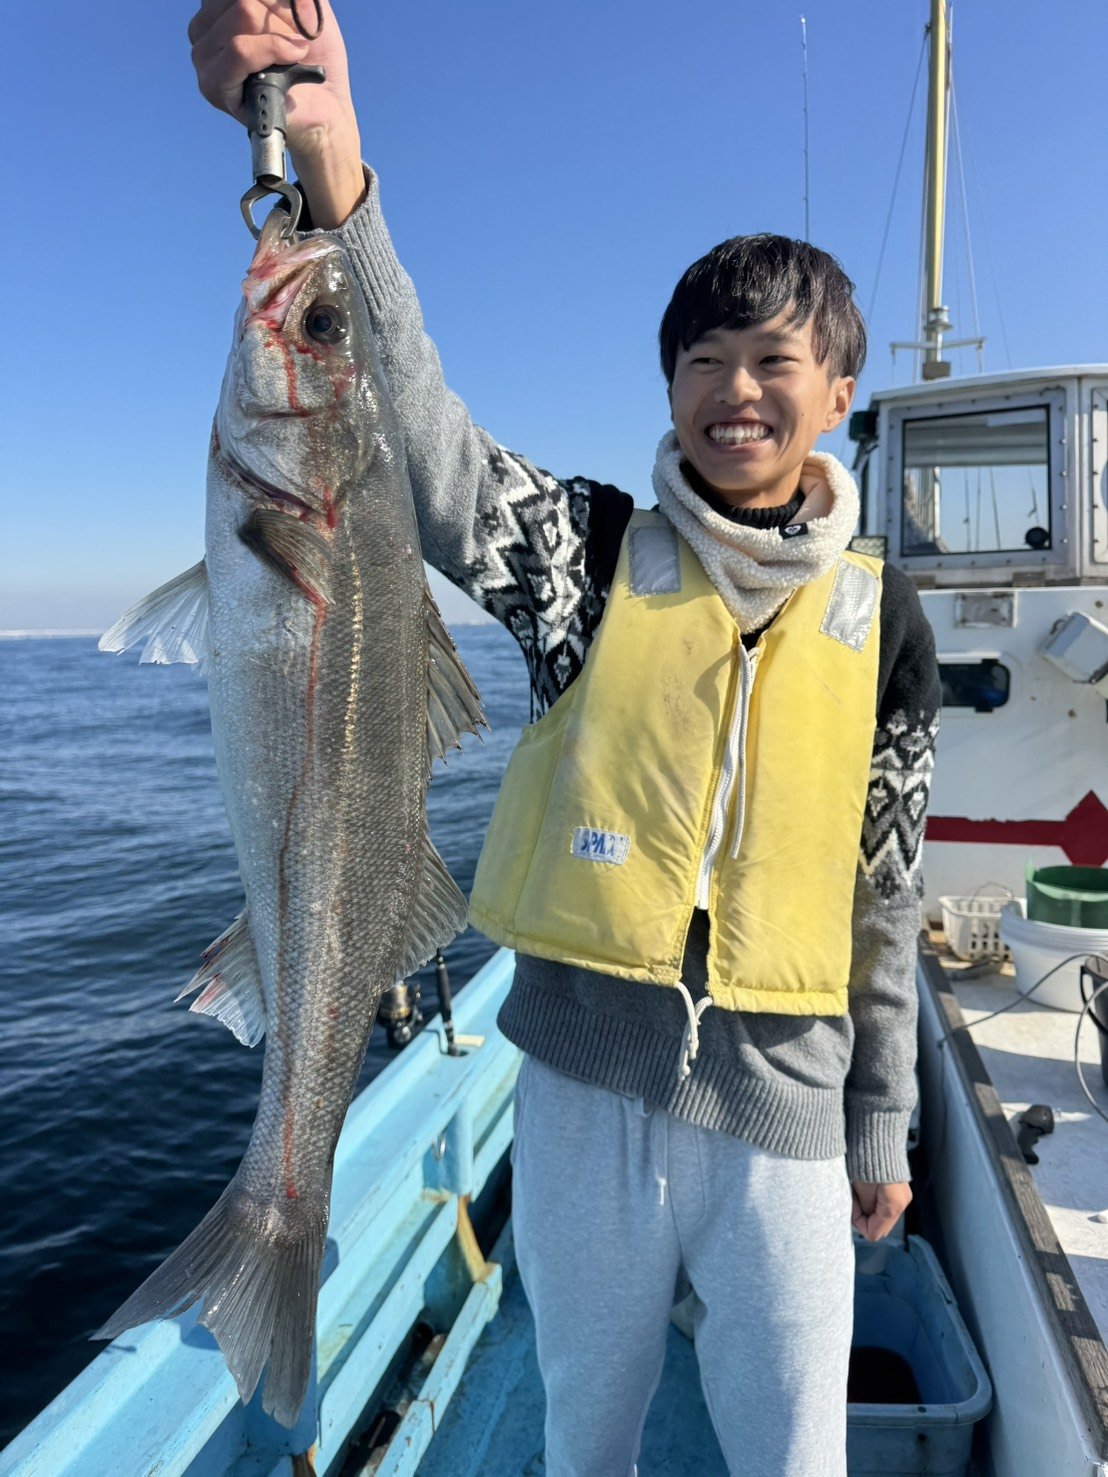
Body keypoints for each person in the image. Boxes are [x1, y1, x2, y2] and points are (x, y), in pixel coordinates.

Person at [191, 6, 941, 1473]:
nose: (738, 389)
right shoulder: (587, 556)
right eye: (706, 358)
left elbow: (887, 889)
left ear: (839, 394)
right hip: (582, 1094)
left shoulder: (886, 619)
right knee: (584, 1430)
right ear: (668, 386)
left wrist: (883, 1120)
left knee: (796, 1448)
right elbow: (426, 439)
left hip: (790, 1114)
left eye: (775, 360)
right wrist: (334, 170)